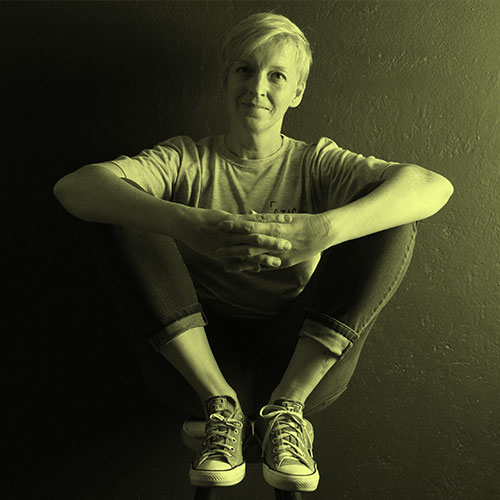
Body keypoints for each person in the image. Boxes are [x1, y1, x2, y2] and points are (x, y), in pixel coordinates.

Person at [53, 12, 453, 493]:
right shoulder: (185, 159)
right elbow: (75, 187)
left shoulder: (315, 162)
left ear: (297, 92)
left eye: (276, 76)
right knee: (118, 206)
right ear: (226, 79)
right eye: (245, 70)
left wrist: (322, 231)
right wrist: (187, 224)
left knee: (393, 218)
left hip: (298, 358)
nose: (257, 87)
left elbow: (433, 185)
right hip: (198, 357)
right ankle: (221, 408)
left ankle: (286, 412)